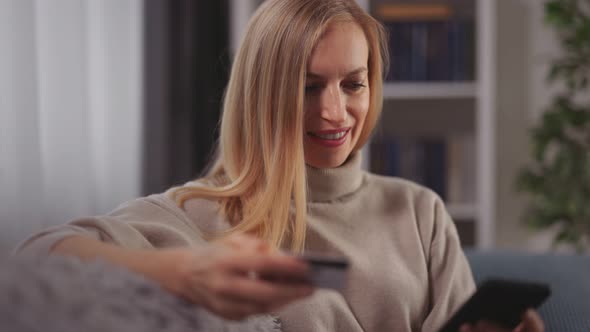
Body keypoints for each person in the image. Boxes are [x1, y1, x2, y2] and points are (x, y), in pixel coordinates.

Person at [15, 0, 544, 331]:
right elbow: (37, 256)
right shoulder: (190, 214)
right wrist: (184, 272)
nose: (335, 112)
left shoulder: (418, 210)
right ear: (261, 94)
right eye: (308, 87)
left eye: (352, 84)